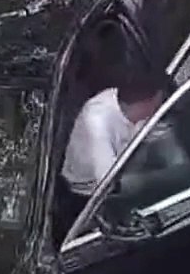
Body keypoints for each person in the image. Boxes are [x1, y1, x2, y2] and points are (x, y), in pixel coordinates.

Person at [60, 70, 168, 201]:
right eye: (158, 103)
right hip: (89, 193)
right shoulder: (98, 121)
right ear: (146, 104)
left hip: (127, 163)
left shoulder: (132, 109)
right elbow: (107, 183)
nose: (159, 108)